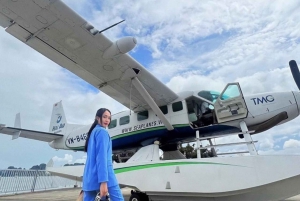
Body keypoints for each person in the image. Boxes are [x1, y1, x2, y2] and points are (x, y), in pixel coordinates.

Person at [83, 108, 124, 201]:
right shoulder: (102, 132)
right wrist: (104, 182)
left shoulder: (93, 132)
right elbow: (102, 158)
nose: (107, 120)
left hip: (89, 179)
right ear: (98, 118)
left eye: (109, 118)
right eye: (105, 117)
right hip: (106, 178)